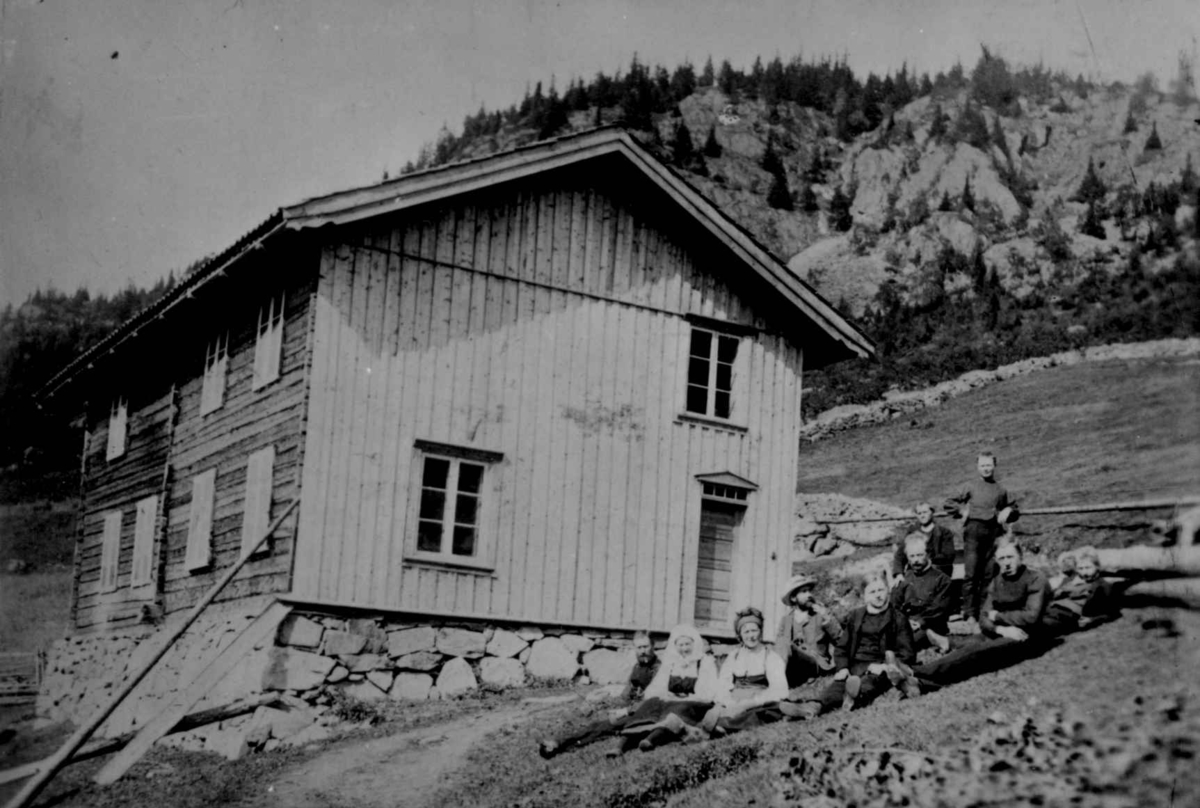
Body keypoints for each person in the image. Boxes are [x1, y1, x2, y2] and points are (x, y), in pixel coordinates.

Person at [914, 540, 1051, 690]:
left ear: (1021, 557)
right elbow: (984, 619)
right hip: (1005, 632)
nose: (1006, 563)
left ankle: (919, 672)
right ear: (996, 560)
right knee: (979, 641)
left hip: (1029, 636)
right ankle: (922, 682)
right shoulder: (997, 581)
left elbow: (1031, 617)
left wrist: (998, 617)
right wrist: (1001, 629)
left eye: (1010, 557)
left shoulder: (1036, 578)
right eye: (1002, 558)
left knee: (976, 651)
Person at [795, 573, 918, 717]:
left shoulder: (898, 618)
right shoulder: (856, 616)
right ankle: (814, 706)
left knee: (869, 683)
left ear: (887, 591)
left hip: (879, 666)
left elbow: (908, 653)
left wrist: (884, 666)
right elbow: (842, 647)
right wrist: (842, 668)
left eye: (881, 590)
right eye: (872, 592)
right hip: (856, 665)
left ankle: (853, 698)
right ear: (865, 596)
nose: (878, 595)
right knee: (837, 685)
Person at [537, 629, 665, 758]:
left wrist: (625, 711)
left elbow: (652, 700)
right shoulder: (638, 667)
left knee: (601, 725)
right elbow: (626, 695)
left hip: (645, 713)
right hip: (630, 707)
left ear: (653, 646)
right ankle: (559, 741)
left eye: (645, 646)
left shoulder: (659, 670)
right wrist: (606, 701)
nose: (642, 651)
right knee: (592, 712)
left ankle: (559, 745)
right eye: (639, 647)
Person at [616, 624, 719, 752]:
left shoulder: (705, 662)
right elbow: (657, 686)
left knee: (677, 709)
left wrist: (680, 698)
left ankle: (651, 739)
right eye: (680, 645)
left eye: (688, 644)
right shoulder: (671, 663)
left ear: (695, 644)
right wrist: (664, 696)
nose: (684, 649)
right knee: (650, 704)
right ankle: (621, 744)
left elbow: (707, 693)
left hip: (695, 704)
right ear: (675, 646)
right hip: (672, 700)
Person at [945, 453, 1019, 621]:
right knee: (971, 574)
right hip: (974, 532)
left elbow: (1014, 508)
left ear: (994, 466)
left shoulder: (1000, 489)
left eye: (989, 465)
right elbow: (949, 502)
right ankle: (970, 613)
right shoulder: (970, 486)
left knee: (990, 574)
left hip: (994, 533)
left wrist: (1009, 511)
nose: (986, 469)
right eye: (983, 466)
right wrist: (962, 510)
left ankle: (984, 611)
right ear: (978, 467)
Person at [704, 606, 789, 735]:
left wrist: (748, 704)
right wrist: (728, 703)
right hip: (733, 701)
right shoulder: (734, 656)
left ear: (760, 631)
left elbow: (779, 690)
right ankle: (716, 725)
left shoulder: (770, 657)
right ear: (740, 635)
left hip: (758, 703)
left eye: (754, 630)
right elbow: (723, 685)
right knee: (713, 711)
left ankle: (722, 727)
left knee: (760, 714)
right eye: (746, 632)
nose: (751, 636)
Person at [774, 574, 843, 690]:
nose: (809, 594)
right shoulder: (786, 620)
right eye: (804, 592)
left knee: (785, 645)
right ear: (793, 598)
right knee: (779, 644)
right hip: (795, 664)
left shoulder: (820, 614)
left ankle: (778, 684)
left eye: (809, 591)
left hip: (817, 663)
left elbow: (841, 640)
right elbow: (780, 648)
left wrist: (826, 618)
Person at [892, 533, 953, 653]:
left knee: (901, 644)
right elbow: (894, 605)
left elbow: (940, 609)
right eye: (912, 556)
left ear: (928, 554)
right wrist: (903, 622)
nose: (916, 560)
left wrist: (920, 622)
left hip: (931, 624)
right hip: (906, 623)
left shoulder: (942, 579)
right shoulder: (904, 579)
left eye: (920, 555)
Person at [1041, 546, 1119, 636]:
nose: (1084, 572)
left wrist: (1092, 620)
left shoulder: (1103, 586)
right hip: (1049, 608)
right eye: (1080, 568)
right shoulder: (1072, 579)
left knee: (1040, 626)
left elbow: (1113, 613)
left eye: (1088, 568)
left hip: (1068, 615)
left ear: (1097, 567)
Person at [892, 502, 957, 583]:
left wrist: (926, 560)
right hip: (915, 572)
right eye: (919, 513)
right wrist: (899, 574)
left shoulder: (943, 532)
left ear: (932, 513)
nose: (922, 516)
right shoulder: (911, 532)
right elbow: (900, 555)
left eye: (925, 512)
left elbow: (948, 556)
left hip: (937, 571)